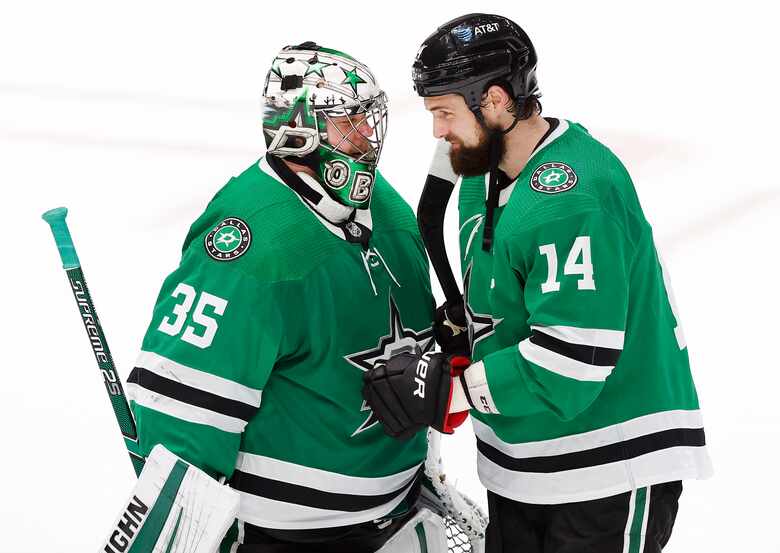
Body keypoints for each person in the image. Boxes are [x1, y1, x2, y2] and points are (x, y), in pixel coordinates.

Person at [362, 14, 713, 553]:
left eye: (445, 113)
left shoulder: (570, 197)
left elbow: (574, 361)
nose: (437, 132)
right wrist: (469, 329)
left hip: (608, 467)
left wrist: (454, 392)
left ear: (497, 101)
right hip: (527, 466)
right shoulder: (486, 171)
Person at [114, 42, 454, 553]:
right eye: (349, 121)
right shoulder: (249, 248)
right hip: (291, 537)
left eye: (369, 119)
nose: (367, 136)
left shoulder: (386, 208)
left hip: (398, 517)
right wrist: (177, 528)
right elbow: (181, 415)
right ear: (298, 126)